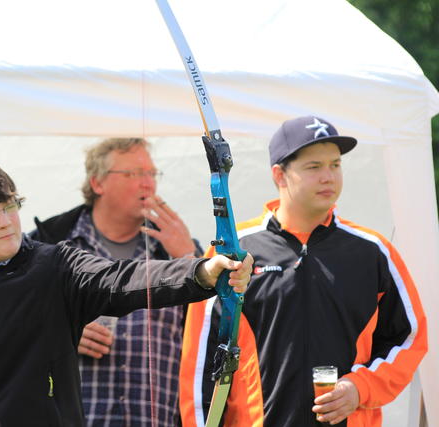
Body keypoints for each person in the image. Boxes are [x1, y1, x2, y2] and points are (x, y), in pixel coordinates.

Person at [0, 156, 254, 426]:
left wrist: (204, 272)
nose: (7, 221)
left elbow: (124, 278)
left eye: (10, 206)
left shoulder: (55, 266)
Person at [179, 116, 428, 427]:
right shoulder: (234, 251)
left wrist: (359, 388)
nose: (328, 177)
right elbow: (199, 361)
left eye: (335, 165)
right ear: (279, 175)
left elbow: (408, 339)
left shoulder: (373, 252)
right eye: (314, 167)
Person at [31, 137, 201, 426]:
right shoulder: (49, 245)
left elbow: (214, 334)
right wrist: (60, 332)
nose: (148, 183)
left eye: (152, 173)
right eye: (133, 173)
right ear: (97, 183)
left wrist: (189, 257)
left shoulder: (176, 248)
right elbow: (7, 321)